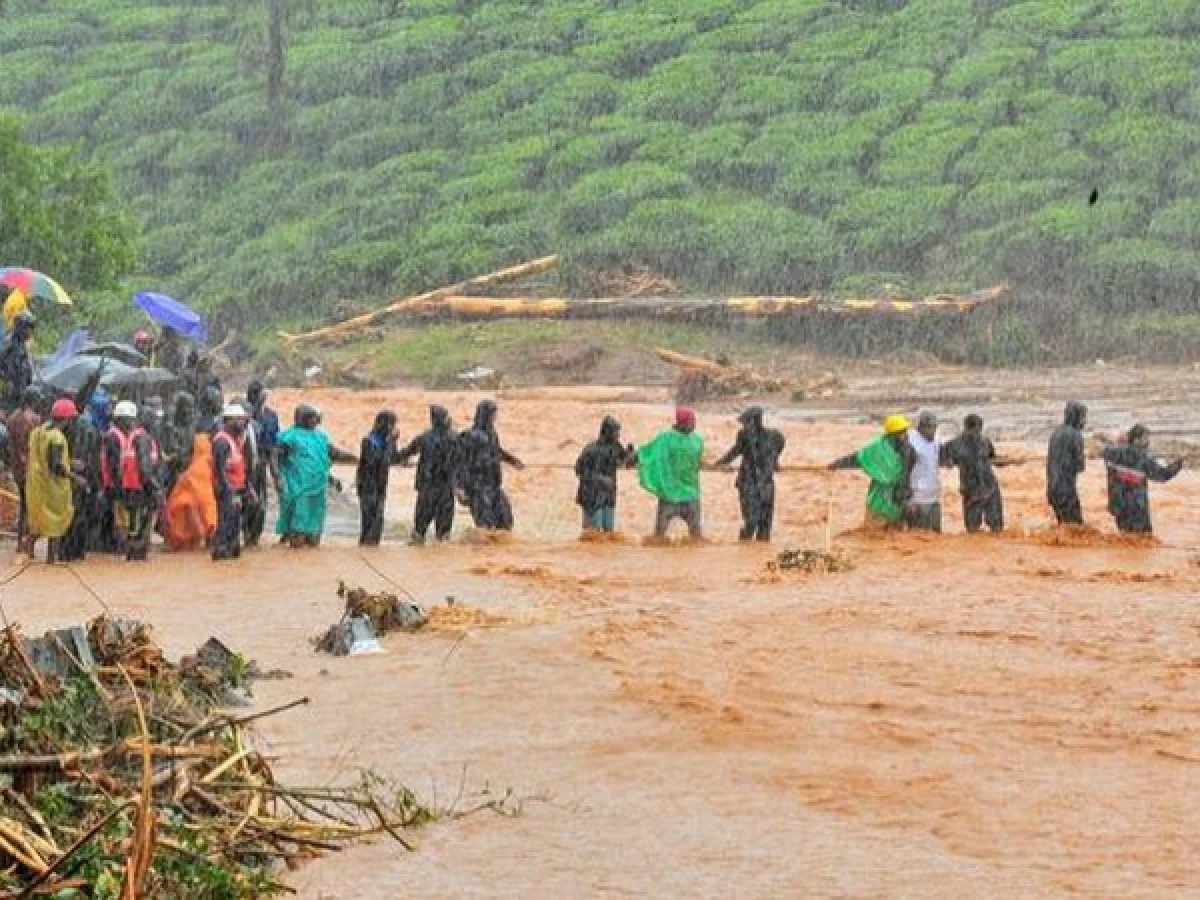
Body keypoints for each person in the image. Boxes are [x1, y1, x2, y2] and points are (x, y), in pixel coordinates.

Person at [275, 404, 355, 548]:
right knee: (299, 526)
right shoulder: (289, 437)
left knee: (314, 534)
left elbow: (329, 456)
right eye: (312, 418)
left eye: (316, 418)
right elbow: (276, 459)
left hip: (318, 487)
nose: (316, 421)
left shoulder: (321, 437)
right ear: (303, 418)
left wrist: (356, 459)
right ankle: (293, 542)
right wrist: (279, 478)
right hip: (298, 487)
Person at [101, 401, 162, 561]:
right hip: (137, 487)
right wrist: (155, 488)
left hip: (131, 486)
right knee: (136, 523)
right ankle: (133, 553)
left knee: (133, 523)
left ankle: (131, 552)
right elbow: (143, 466)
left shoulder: (133, 437)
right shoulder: (140, 438)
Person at [828, 415, 913, 528]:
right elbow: (857, 459)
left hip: (898, 503)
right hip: (878, 502)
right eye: (901, 433)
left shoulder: (909, 451)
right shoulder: (877, 450)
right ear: (892, 435)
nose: (905, 436)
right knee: (873, 532)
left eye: (905, 432)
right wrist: (837, 464)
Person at [25, 398, 82, 563]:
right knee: (56, 520)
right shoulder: (57, 437)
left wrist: (69, 462)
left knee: (39, 519)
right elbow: (56, 466)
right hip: (53, 486)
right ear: (67, 419)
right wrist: (75, 477)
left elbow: (45, 456)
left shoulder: (39, 431)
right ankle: (51, 559)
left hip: (37, 483)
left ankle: (29, 553)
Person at [716, 406, 786, 542]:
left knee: (765, 526)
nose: (744, 426)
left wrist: (774, 461)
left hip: (766, 486)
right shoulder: (744, 436)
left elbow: (780, 446)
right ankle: (744, 548)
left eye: (746, 422)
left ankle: (757, 552)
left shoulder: (774, 436)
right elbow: (735, 451)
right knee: (751, 522)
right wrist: (720, 463)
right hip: (748, 484)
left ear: (755, 421)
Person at [456, 399, 524, 531]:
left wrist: (513, 461)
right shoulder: (468, 436)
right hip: (477, 488)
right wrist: (459, 487)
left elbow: (497, 451)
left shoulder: (492, 434)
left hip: (494, 486)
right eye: (493, 414)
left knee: (505, 521)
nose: (495, 417)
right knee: (486, 526)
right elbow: (459, 462)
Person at [638, 407, 705, 540]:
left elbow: (697, 464)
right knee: (659, 535)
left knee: (696, 535)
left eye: (694, 421)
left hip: (690, 493)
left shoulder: (698, 440)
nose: (694, 424)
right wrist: (631, 458)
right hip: (670, 493)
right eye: (691, 421)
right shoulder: (665, 438)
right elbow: (649, 453)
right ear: (681, 422)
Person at [1102, 425, 1183, 534]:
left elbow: (1105, 449)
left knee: (1125, 536)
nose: (1148, 442)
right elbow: (1163, 475)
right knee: (1143, 537)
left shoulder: (1113, 453)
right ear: (1136, 440)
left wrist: (1117, 440)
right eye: (1145, 439)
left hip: (1118, 505)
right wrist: (1178, 464)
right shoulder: (1143, 458)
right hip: (1137, 509)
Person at [162, 394, 217, 552]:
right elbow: (170, 449)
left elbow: (202, 448)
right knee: (175, 506)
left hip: (196, 474)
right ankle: (175, 538)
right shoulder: (170, 427)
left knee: (199, 506)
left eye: (191, 407)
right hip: (176, 472)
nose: (189, 411)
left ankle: (199, 538)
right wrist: (181, 458)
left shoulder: (196, 426)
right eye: (186, 407)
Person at [397, 405, 460, 544]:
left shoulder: (424, 437)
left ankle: (418, 551)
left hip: (427, 487)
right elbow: (463, 462)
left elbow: (404, 453)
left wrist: (391, 452)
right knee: (444, 536)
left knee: (419, 530)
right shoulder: (455, 437)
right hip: (446, 488)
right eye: (447, 416)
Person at [942, 414, 1004, 533]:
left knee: (997, 528)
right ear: (966, 428)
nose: (977, 433)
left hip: (990, 487)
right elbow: (942, 460)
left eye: (979, 429)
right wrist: (948, 462)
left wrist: (1006, 461)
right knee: (972, 529)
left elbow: (993, 459)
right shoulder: (953, 445)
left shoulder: (985, 441)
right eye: (974, 429)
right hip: (971, 490)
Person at [574, 416, 637, 535]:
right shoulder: (590, 449)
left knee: (609, 533)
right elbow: (579, 470)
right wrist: (600, 479)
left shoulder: (616, 446)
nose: (618, 435)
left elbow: (625, 462)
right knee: (593, 535)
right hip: (591, 497)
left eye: (618, 431)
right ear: (607, 432)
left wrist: (630, 454)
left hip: (609, 496)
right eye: (615, 431)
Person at [211, 403, 256, 560]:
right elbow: (220, 470)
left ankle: (230, 552)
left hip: (236, 489)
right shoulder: (222, 441)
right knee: (225, 523)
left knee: (234, 524)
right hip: (226, 491)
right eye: (239, 420)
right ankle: (221, 551)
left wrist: (247, 488)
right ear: (229, 421)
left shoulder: (236, 440)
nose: (243, 423)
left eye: (243, 420)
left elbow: (241, 466)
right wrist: (229, 491)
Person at [243, 379, 280, 547]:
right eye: (253, 394)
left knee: (260, 501)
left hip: (261, 463)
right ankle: (244, 533)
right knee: (243, 501)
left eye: (258, 394)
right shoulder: (239, 414)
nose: (256, 397)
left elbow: (273, 445)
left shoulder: (271, 416)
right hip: (242, 464)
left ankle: (254, 536)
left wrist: (275, 471)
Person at [7, 386, 41, 555]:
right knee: (33, 507)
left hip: (17, 467)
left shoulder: (13, 417)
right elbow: (28, 446)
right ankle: (29, 544)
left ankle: (21, 542)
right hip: (29, 467)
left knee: (24, 506)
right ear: (34, 399)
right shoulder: (33, 418)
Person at [1047, 401, 1088, 525]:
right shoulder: (1076, 435)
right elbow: (1080, 466)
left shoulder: (1055, 433)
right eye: (1083, 417)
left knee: (1063, 525)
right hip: (1067, 491)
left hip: (1052, 489)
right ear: (1076, 417)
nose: (1085, 421)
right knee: (1076, 529)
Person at [904, 411, 943, 532]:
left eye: (935, 427)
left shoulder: (936, 440)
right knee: (918, 534)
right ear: (921, 427)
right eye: (931, 427)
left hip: (934, 495)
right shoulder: (910, 441)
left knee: (936, 535)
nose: (933, 431)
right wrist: (907, 498)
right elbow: (903, 472)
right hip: (917, 497)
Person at [0, 311, 36, 412]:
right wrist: (6, 381)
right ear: (20, 328)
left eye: (31, 329)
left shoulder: (22, 345)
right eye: (27, 328)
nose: (30, 332)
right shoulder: (8, 345)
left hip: (21, 391)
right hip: (9, 393)